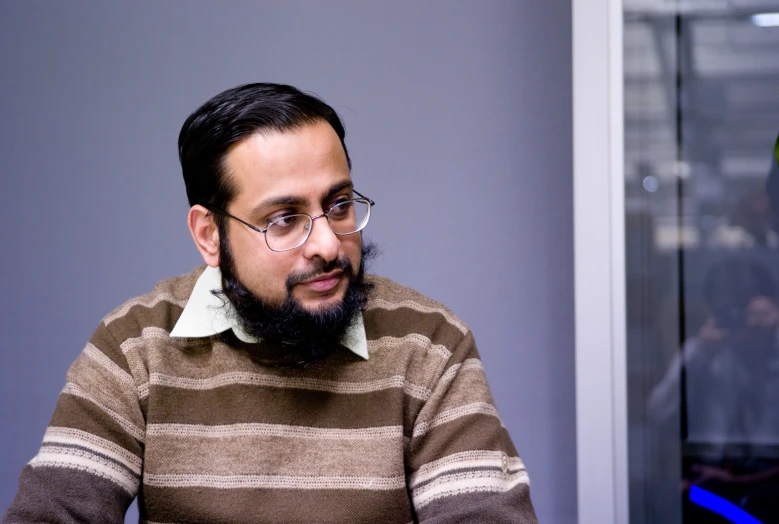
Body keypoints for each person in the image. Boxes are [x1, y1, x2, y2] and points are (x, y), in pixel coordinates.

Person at [3, 83, 537, 523]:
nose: (328, 244)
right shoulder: (134, 347)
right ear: (209, 234)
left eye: (340, 204)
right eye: (285, 219)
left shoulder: (431, 345)